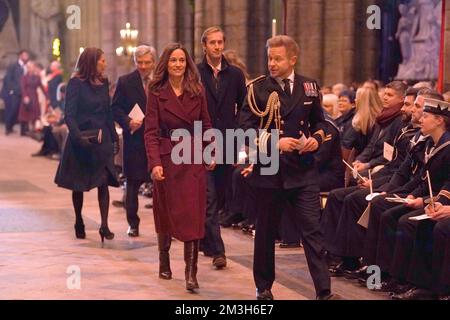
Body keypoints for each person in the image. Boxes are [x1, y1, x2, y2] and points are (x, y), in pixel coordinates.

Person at [239, 35, 338, 300]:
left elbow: (322, 123)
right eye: (269, 58)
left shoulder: (309, 86)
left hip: (302, 172)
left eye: (277, 58)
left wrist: (316, 140)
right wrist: (274, 142)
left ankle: (324, 290)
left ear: (292, 59)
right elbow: (243, 131)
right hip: (269, 171)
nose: (271, 63)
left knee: (313, 232)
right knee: (265, 234)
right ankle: (263, 287)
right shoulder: (257, 89)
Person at [144, 43, 214, 292]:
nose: (178, 65)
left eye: (182, 61)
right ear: (166, 63)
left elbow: (206, 124)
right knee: (165, 211)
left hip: (192, 156)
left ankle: (191, 274)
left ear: (187, 64)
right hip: (166, 158)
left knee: (193, 215)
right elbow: (150, 132)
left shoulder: (197, 89)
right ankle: (164, 259)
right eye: (173, 60)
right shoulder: (156, 91)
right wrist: (154, 163)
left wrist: (210, 151)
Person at [54, 48, 119, 243]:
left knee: (103, 181)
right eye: (102, 60)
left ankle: (104, 225)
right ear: (92, 62)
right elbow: (69, 114)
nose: (105, 63)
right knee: (78, 184)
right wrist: (77, 137)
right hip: (80, 139)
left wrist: (114, 136)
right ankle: (79, 220)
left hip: (101, 139)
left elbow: (107, 112)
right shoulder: (75, 83)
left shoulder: (103, 82)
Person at [197, 26, 247, 269]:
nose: (217, 47)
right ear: (204, 45)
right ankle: (218, 250)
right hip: (202, 142)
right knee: (209, 198)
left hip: (227, 142)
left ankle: (206, 241)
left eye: (220, 42)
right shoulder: (195, 73)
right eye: (212, 43)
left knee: (222, 194)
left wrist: (238, 141)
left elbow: (244, 108)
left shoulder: (235, 75)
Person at [112, 45, 156, 237]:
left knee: (162, 185)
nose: (144, 67)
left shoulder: (161, 82)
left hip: (157, 139)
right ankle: (133, 223)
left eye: (147, 63)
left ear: (154, 62)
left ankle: (166, 226)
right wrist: (128, 122)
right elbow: (115, 109)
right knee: (132, 184)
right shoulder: (126, 81)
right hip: (135, 139)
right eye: (140, 63)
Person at [1, 50, 29, 135]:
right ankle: (8, 128)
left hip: (22, 92)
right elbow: (8, 78)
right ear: (20, 56)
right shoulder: (13, 66)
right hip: (13, 93)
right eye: (24, 55)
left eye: (27, 55)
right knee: (11, 110)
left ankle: (12, 127)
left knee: (18, 111)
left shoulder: (26, 66)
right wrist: (11, 90)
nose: (26, 57)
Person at [18, 61, 46, 135]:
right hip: (27, 95)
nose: (31, 68)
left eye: (32, 67)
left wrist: (47, 96)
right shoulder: (24, 77)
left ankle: (33, 129)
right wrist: (25, 96)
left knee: (35, 114)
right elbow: (23, 88)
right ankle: (23, 131)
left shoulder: (37, 77)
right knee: (24, 114)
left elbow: (41, 86)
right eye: (29, 67)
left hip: (34, 96)